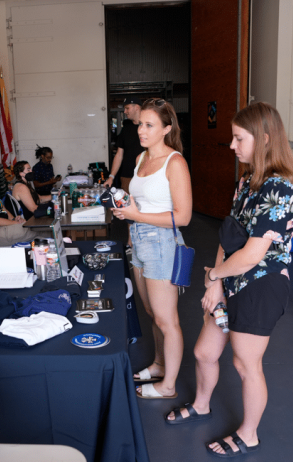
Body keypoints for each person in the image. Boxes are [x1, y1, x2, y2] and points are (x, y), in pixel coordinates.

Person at [166, 102, 293, 458]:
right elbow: (230, 237)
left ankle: (249, 433)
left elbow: (253, 255)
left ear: (265, 139)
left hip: (260, 286)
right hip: (230, 280)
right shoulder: (246, 182)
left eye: (239, 138)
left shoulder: (281, 189)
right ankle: (202, 405)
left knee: (245, 364)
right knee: (204, 352)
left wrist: (215, 276)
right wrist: (215, 282)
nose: (232, 145)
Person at [112, 98, 192, 400]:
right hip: (138, 239)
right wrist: (127, 213)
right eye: (139, 124)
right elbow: (139, 203)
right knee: (150, 311)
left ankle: (168, 385)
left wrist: (136, 216)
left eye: (149, 125)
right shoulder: (140, 159)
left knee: (166, 319)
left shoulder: (175, 162)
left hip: (162, 243)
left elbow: (182, 217)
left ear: (166, 129)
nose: (141, 130)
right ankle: (159, 365)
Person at [0, 155, 48, 247]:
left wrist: (13, 218)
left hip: (1, 227)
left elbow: (2, 207)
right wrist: (15, 223)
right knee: (37, 229)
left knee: (38, 228)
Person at [104, 96, 144, 193]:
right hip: (127, 177)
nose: (125, 111)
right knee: (126, 205)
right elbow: (119, 154)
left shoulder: (148, 127)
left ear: (137, 107)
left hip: (145, 176)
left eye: (127, 108)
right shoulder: (126, 129)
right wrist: (111, 177)